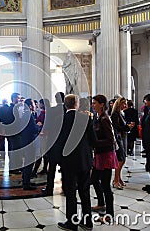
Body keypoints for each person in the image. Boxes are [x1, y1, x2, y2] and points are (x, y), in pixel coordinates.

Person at [57, 95, 93, 231]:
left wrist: (59, 160)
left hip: (69, 161)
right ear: (77, 104)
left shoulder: (62, 120)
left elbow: (59, 142)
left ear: (65, 105)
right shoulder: (85, 118)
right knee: (85, 191)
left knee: (71, 193)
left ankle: (72, 223)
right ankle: (88, 221)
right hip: (84, 161)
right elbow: (92, 141)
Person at [91, 94, 118, 222]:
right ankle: (101, 203)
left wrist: (94, 143)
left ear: (102, 104)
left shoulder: (105, 119)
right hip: (99, 154)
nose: (93, 105)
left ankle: (110, 214)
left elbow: (110, 140)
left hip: (106, 155)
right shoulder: (99, 117)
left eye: (95, 103)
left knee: (106, 185)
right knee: (94, 179)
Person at [21, 99, 39, 190]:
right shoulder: (29, 115)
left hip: (26, 141)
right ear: (30, 106)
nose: (35, 106)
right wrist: (38, 126)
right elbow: (33, 129)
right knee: (29, 162)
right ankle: (26, 184)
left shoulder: (25, 114)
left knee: (27, 162)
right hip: (29, 141)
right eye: (33, 104)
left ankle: (25, 180)